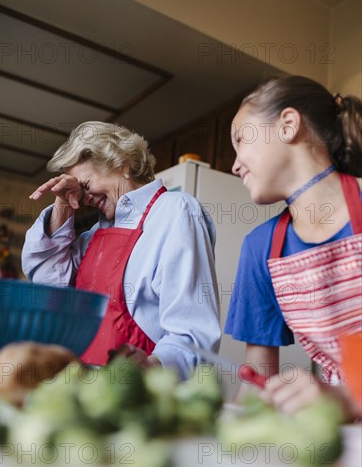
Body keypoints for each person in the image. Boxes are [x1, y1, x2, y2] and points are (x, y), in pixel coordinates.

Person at [22, 122, 221, 380]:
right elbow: (47, 286)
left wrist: (153, 368)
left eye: (85, 184)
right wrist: (62, 206)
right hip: (91, 390)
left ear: (122, 164)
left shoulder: (176, 211)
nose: (83, 198)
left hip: (143, 393)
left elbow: (193, 329)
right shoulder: (94, 235)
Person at [225, 75, 362, 421]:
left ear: (288, 125)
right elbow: (258, 379)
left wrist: (347, 396)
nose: (235, 164)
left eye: (241, 140)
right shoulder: (259, 249)